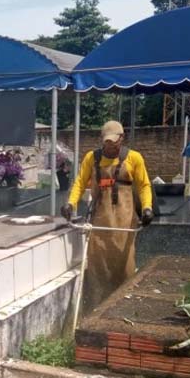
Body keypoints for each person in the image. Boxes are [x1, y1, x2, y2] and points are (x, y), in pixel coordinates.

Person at [61, 121, 154, 308]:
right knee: (97, 269)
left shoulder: (134, 158)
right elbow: (80, 183)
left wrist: (147, 208)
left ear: (122, 138)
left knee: (125, 268)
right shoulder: (91, 158)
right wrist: (70, 204)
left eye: (114, 142)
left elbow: (144, 186)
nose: (110, 146)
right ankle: (95, 310)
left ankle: (123, 308)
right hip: (99, 225)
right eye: (106, 142)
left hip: (124, 225)